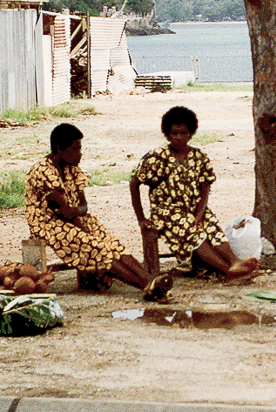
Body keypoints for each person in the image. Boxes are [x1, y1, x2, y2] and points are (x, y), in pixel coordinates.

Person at [25, 123, 172, 300]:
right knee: (98, 247)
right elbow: (64, 212)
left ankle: (150, 281)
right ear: (59, 148)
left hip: (76, 219)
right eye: (75, 149)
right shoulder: (42, 171)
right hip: (50, 224)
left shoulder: (71, 167)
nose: (80, 153)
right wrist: (81, 223)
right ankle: (147, 286)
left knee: (112, 244)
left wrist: (77, 212)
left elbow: (83, 206)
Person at [130, 106, 259, 279]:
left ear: (190, 133)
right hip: (167, 213)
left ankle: (235, 262)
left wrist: (199, 215)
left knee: (213, 228)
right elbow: (134, 184)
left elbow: (205, 188)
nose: (178, 138)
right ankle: (227, 270)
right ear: (167, 134)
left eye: (183, 133)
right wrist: (141, 218)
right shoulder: (156, 157)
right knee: (192, 231)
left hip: (194, 208)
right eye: (174, 133)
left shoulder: (199, 157)